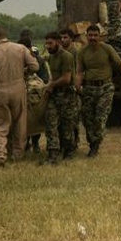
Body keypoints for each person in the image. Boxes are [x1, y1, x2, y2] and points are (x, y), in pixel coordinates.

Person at [0, 25, 39, 165]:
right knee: (20, 122)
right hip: (18, 87)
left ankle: (1, 153)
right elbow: (35, 66)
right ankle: (17, 154)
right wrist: (24, 71)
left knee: (0, 124)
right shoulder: (20, 49)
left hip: (0, 90)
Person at [74, 24, 121, 157]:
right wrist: (77, 86)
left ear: (100, 36)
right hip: (88, 88)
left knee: (100, 117)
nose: (93, 38)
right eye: (90, 35)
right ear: (86, 36)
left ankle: (95, 145)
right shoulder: (82, 52)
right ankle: (92, 142)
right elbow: (79, 71)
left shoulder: (107, 49)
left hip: (105, 88)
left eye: (95, 35)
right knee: (87, 118)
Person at [43, 31, 77, 163]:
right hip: (55, 94)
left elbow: (66, 78)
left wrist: (51, 85)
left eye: (50, 43)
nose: (48, 46)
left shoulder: (66, 56)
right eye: (46, 43)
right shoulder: (51, 58)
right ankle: (53, 154)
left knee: (66, 125)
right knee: (50, 123)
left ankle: (69, 151)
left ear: (58, 42)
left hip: (67, 95)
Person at [18, 28, 49, 154]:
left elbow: (44, 76)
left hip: (34, 93)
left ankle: (34, 143)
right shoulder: (15, 60)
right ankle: (25, 143)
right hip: (20, 92)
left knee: (33, 119)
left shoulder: (37, 59)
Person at [60, 27, 83, 152]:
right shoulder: (59, 52)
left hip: (73, 87)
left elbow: (79, 70)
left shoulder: (76, 52)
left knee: (73, 118)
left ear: (71, 39)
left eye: (65, 37)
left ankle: (74, 142)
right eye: (61, 38)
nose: (63, 40)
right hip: (62, 88)